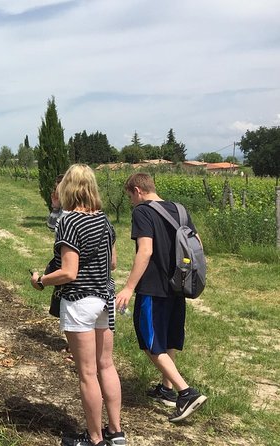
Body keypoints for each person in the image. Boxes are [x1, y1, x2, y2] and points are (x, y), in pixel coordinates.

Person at [31, 164, 125, 446]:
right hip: (104, 299)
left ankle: (94, 438)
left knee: (87, 373)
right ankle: (115, 432)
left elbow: (69, 272)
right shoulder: (103, 220)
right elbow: (113, 263)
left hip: (80, 300)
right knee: (106, 365)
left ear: (67, 188)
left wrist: (42, 280)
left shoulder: (69, 222)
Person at [116, 172, 207, 423]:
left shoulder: (142, 212)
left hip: (153, 288)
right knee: (167, 338)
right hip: (178, 285)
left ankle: (185, 392)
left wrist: (129, 287)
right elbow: (196, 242)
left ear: (137, 190)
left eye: (130, 197)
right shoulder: (180, 209)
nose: (131, 202)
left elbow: (145, 250)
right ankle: (167, 389)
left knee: (149, 341)